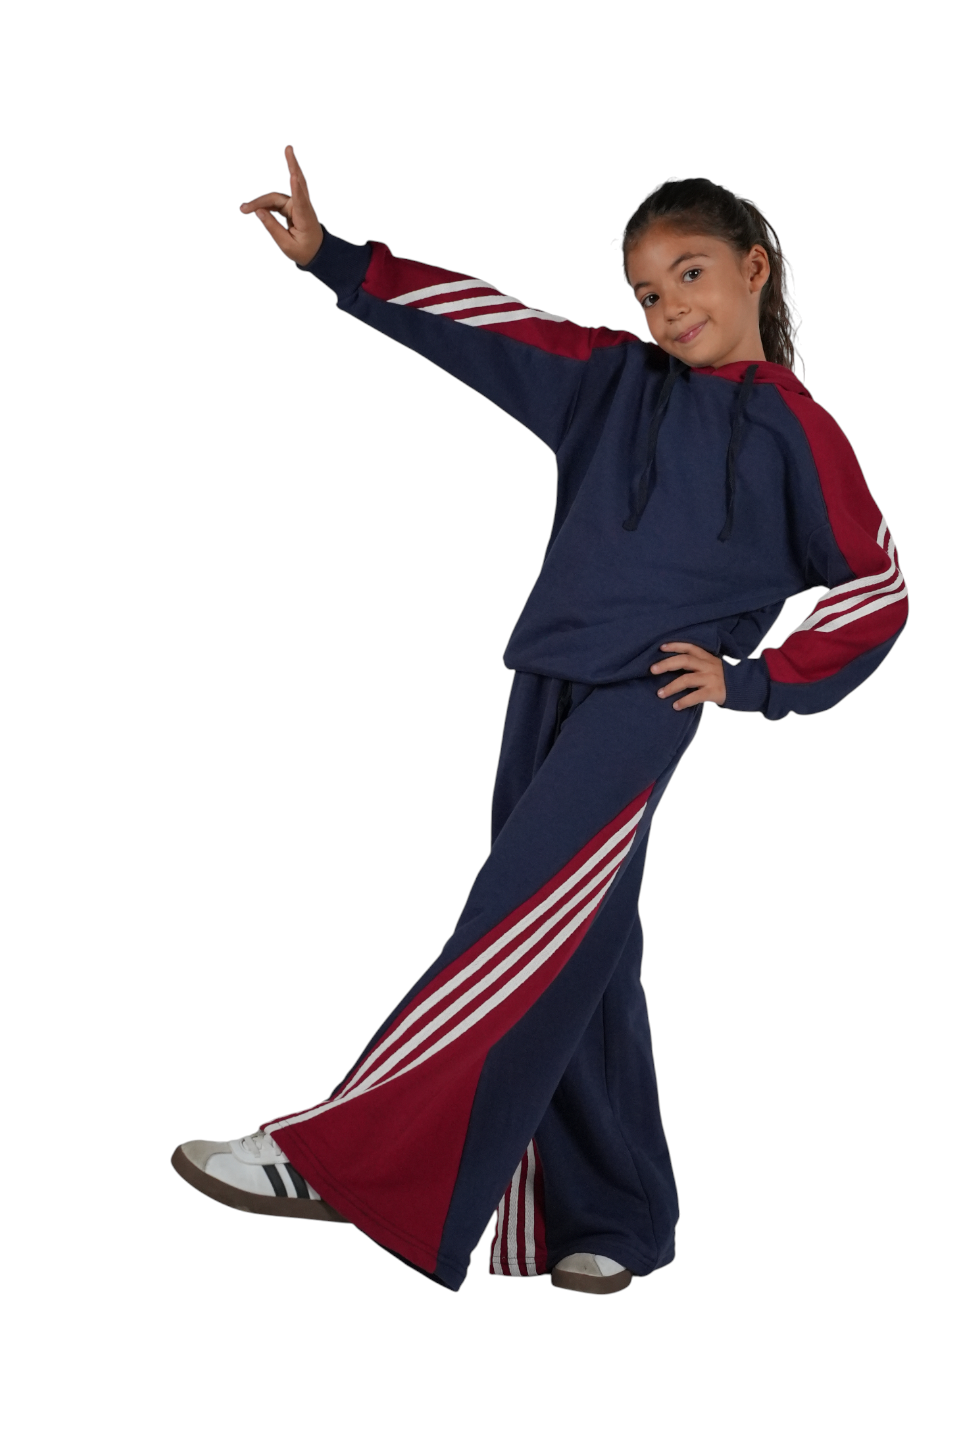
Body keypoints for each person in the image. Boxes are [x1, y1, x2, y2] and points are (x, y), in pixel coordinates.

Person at [172, 146, 908, 1295]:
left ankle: (347, 1159)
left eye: (692, 274)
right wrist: (337, 262)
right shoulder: (612, 383)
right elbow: (490, 323)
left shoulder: (796, 432)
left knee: (514, 922)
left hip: (644, 699)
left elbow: (878, 588)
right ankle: (613, 1214)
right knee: (583, 949)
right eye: (649, 291)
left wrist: (755, 679)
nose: (671, 307)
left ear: (755, 268)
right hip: (545, 680)